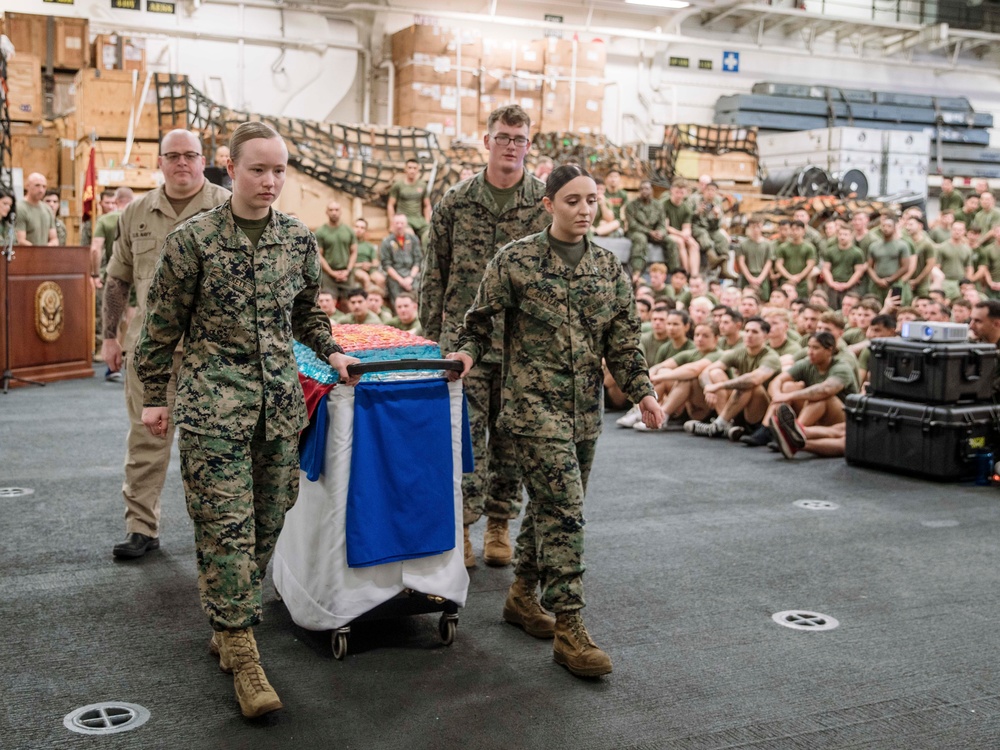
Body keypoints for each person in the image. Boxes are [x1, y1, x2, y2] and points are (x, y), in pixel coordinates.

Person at [135, 121, 360, 718]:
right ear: (230, 168)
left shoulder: (296, 238)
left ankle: (226, 618)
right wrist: (155, 396)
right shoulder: (195, 240)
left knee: (265, 522)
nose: (270, 181)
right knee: (225, 529)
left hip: (279, 409)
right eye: (258, 169)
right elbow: (159, 327)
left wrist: (333, 350)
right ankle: (242, 649)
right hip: (214, 406)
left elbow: (307, 315)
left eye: (279, 170)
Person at [448, 164, 663, 678]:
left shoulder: (609, 269)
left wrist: (644, 393)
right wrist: (466, 355)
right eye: (572, 200)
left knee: (551, 511)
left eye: (591, 200)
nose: (584, 210)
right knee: (565, 511)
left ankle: (522, 595)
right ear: (549, 204)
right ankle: (570, 627)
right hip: (531, 410)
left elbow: (624, 343)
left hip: (583, 414)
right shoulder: (516, 260)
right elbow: (478, 323)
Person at [420, 104, 549, 569]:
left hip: (522, 346)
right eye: (503, 137)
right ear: (487, 141)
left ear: (528, 145)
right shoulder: (456, 200)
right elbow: (433, 271)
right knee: (464, 441)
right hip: (464, 342)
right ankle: (464, 526)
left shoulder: (544, 202)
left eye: (519, 138)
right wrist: (433, 336)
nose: (510, 146)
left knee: (511, 440)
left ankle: (499, 522)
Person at [102, 129, 231, 559]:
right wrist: (109, 336)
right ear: (159, 161)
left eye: (190, 155)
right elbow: (118, 278)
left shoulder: (226, 208)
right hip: (150, 353)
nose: (181, 163)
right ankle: (142, 527)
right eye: (172, 155)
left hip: (210, 354)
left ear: (202, 159)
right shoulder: (136, 212)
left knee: (214, 445)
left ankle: (217, 532)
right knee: (145, 443)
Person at [687, 317, 781, 439]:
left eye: (754, 332)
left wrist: (719, 386)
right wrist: (708, 387)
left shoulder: (771, 356)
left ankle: (717, 426)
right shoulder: (739, 352)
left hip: (761, 411)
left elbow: (754, 379)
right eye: (747, 331)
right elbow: (706, 371)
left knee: (747, 384)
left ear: (765, 336)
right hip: (739, 406)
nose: (749, 335)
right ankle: (725, 426)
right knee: (715, 373)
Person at [91, 186, 136, 381]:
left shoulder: (106, 220)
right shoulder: (137, 217)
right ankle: (132, 363)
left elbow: (95, 249)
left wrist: (94, 273)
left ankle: (113, 366)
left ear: (116, 201)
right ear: (131, 200)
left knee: (113, 318)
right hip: (137, 275)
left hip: (113, 274)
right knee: (133, 319)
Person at [315, 201, 357, 308]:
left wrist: (348, 270)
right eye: (331, 210)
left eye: (336, 210)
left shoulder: (349, 231)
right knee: (328, 305)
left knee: (348, 304)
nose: (334, 213)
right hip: (328, 274)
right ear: (326, 212)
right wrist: (331, 272)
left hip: (347, 273)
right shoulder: (320, 232)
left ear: (341, 212)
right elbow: (319, 255)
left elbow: (354, 252)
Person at [624, 180, 667, 282]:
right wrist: (649, 232)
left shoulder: (658, 205)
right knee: (640, 239)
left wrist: (660, 232)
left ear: (651, 190)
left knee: (671, 241)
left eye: (647, 188)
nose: (644, 191)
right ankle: (636, 272)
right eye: (642, 189)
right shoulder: (631, 206)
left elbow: (662, 224)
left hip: (654, 234)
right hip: (636, 232)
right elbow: (632, 225)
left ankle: (675, 272)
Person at [387, 158, 432, 248]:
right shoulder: (398, 185)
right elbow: (390, 205)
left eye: (415, 168)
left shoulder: (422, 185)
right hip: (404, 220)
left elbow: (427, 205)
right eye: (410, 168)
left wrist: (427, 221)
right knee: (410, 237)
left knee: (428, 236)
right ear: (405, 169)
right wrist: (392, 223)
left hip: (419, 219)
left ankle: (426, 261)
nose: (412, 170)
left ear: (418, 170)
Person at [819, 224, 866, 309]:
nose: (842, 237)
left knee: (850, 309)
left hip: (850, 288)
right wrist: (832, 283)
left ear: (851, 236)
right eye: (840, 234)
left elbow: (859, 271)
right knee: (831, 308)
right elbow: (826, 269)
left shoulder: (857, 253)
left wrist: (847, 284)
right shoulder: (830, 251)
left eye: (845, 234)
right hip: (833, 287)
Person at [661, 179, 701, 276]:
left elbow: (687, 226)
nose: (679, 195)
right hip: (667, 233)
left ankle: (694, 274)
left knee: (694, 244)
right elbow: (666, 226)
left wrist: (686, 234)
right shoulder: (664, 204)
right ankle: (685, 272)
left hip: (680, 233)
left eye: (682, 193)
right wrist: (681, 234)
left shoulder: (686, 208)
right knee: (680, 242)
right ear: (672, 191)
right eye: (677, 192)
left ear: (686, 193)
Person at [381, 213, 422, 301]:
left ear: (406, 224)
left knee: (418, 294)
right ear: (392, 224)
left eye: (402, 223)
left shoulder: (413, 239)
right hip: (396, 276)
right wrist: (401, 281)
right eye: (397, 223)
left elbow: (418, 261)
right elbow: (386, 265)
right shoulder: (386, 242)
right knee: (396, 296)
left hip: (412, 274)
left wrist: (410, 277)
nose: (399, 226)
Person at [14, 173, 58, 246]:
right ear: (27, 186)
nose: (41, 190)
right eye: (37, 185)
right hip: (26, 255)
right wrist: (38, 251)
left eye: (44, 186)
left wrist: (47, 248)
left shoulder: (47, 209)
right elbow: (20, 240)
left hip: (44, 254)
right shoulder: (20, 208)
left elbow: (54, 239)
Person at [735, 218, 773, 299]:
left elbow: (769, 262)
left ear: (762, 227)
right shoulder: (743, 244)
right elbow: (741, 262)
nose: (756, 229)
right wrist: (750, 278)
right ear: (749, 227)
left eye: (758, 226)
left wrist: (760, 278)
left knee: (763, 299)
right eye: (753, 227)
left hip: (762, 276)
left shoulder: (767, 244)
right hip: (747, 276)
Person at [352, 217, 385, 293]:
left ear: (365, 231)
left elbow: (376, 263)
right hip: (355, 269)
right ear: (353, 228)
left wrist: (368, 265)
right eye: (356, 227)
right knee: (365, 277)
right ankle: (368, 302)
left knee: (380, 279)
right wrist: (361, 265)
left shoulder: (369, 246)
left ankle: (379, 301)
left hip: (369, 269)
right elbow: (346, 263)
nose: (359, 230)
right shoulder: (349, 244)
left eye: (362, 228)